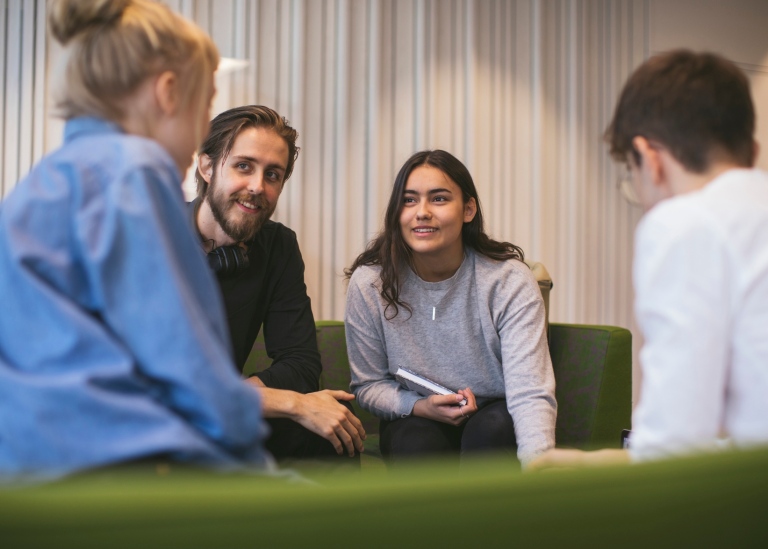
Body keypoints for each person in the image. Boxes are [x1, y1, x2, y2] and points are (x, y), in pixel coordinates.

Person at [0, 0, 270, 482]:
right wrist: (253, 456)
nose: (201, 132)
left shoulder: (40, 185)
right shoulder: (133, 171)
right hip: (113, 463)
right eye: (206, 104)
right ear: (168, 93)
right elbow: (182, 358)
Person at [529, 50, 768, 471]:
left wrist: (588, 469)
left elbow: (677, 447)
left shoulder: (684, 224)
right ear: (750, 151)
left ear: (650, 158)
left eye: (631, 176)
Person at [344, 150, 557, 467]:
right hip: (416, 410)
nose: (422, 212)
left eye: (439, 199)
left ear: (468, 209)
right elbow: (368, 385)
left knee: (492, 431)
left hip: (497, 410)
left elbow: (529, 391)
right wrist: (418, 405)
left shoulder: (508, 280)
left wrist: (541, 466)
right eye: (409, 200)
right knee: (415, 441)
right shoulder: (370, 283)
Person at [192, 105, 365, 462]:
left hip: (223, 416)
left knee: (331, 434)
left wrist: (245, 400)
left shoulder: (277, 247)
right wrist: (289, 402)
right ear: (207, 167)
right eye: (244, 166)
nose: (257, 187)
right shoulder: (151, 237)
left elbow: (301, 364)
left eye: (273, 175)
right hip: (151, 418)